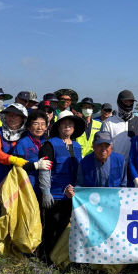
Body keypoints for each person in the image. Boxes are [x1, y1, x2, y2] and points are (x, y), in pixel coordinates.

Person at [0, 104, 52, 240]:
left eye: (16, 115)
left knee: (13, 217)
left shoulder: (27, 135)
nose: (12, 118)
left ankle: (9, 250)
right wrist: (14, 160)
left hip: (18, 185)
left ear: (23, 119)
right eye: (9, 115)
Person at [38, 110, 84, 260]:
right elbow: (45, 169)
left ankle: (59, 259)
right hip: (54, 195)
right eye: (64, 123)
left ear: (74, 128)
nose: (67, 126)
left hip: (72, 196)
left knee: (65, 228)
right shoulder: (49, 145)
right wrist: (46, 191)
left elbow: (80, 172)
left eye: (70, 124)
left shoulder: (77, 146)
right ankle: (45, 258)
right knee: (50, 228)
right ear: (58, 127)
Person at [99, 89, 138, 165]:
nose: (128, 104)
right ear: (119, 103)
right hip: (114, 166)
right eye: (125, 102)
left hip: (135, 167)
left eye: (131, 102)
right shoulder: (109, 123)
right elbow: (104, 146)